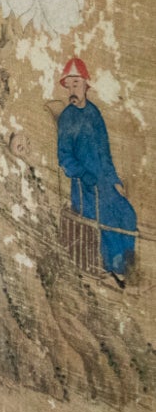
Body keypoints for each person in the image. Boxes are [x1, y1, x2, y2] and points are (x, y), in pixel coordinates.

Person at [54, 56, 136, 287]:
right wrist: (83, 174)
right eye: (68, 86)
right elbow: (64, 157)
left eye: (76, 84)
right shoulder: (68, 118)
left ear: (86, 85)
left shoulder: (94, 113)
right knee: (108, 219)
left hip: (104, 183)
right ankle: (113, 270)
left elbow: (105, 153)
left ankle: (127, 267)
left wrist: (114, 180)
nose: (72, 90)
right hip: (85, 187)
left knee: (128, 214)